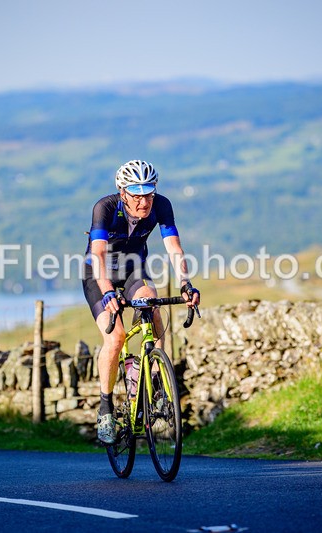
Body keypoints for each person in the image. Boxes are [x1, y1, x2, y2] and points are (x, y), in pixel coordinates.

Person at [82, 159, 200, 444]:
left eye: (148, 192)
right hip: (98, 275)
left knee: (152, 303)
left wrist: (185, 282)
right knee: (116, 337)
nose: (144, 200)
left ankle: (154, 380)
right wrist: (108, 290)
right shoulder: (105, 207)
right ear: (123, 193)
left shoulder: (162, 205)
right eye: (137, 194)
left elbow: (174, 248)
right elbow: (97, 255)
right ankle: (106, 407)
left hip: (135, 270)